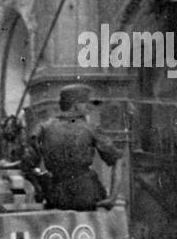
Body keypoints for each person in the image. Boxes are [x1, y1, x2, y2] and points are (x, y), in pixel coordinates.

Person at [28, 83, 120, 211]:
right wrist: (112, 198)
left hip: (55, 198)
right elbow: (116, 159)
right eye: (85, 102)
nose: (89, 107)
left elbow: (28, 165)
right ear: (75, 105)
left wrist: (40, 187)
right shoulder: (91, 128)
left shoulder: (43, 128)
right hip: (87, 196)